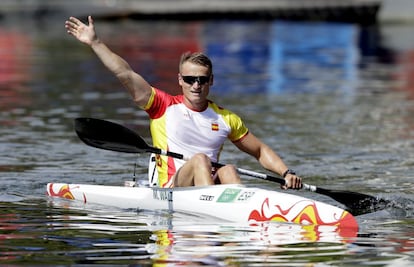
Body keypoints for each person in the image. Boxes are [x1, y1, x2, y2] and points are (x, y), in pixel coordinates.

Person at [65, 16, 302, 189]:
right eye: (189, 79)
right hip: (171, 188)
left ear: (211, 81)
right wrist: (95, 43)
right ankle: (215, 211)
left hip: (206, 185)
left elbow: (259, 150)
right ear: (180, 80)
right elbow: (125, 74)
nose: (195, 85)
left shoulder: (226, 118)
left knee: (228, 169)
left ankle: (237, 225)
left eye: (201, 79)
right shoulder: (162, 105)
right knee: (201, 160)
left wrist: (286, 172)